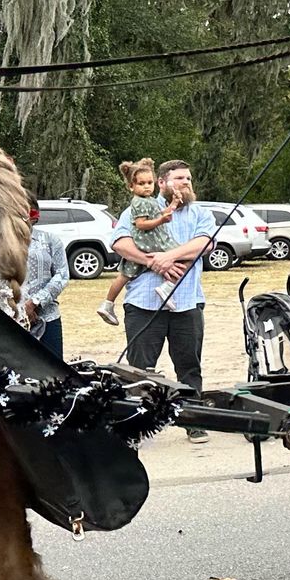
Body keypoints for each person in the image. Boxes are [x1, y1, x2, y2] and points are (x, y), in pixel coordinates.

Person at [111, 161, 216, 429]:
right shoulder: (139, 208)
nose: (186, 182)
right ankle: (138, 423)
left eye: (189, 178)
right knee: (139, 370)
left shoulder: (199, 213)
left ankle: (193, 421)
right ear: (161, 183)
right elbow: (120, 243)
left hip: (187, 302)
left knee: (189, 367)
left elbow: (204, 243)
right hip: (144, 303)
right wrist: (153, 262)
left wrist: (169, 256)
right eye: (179, 178)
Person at [99, 159, 179, 326]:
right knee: (179, 255)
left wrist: (174, 203)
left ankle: (108, 304)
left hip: (141, 246)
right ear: (131, 186)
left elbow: (160, 213)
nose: (147, 186)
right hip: (150, 242)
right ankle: (167, 287)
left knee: (124, 275)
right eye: (141, 183)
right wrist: (161, 221)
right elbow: (141, 224)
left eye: (150, 182)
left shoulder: (149, 201)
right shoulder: (140, 202)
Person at [20, 203, 69, 357]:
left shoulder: (50, 240)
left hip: (48, 316)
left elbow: (62, 275)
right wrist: (19, 307)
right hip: (9, 320)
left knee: (54, 373)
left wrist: (35, 302)